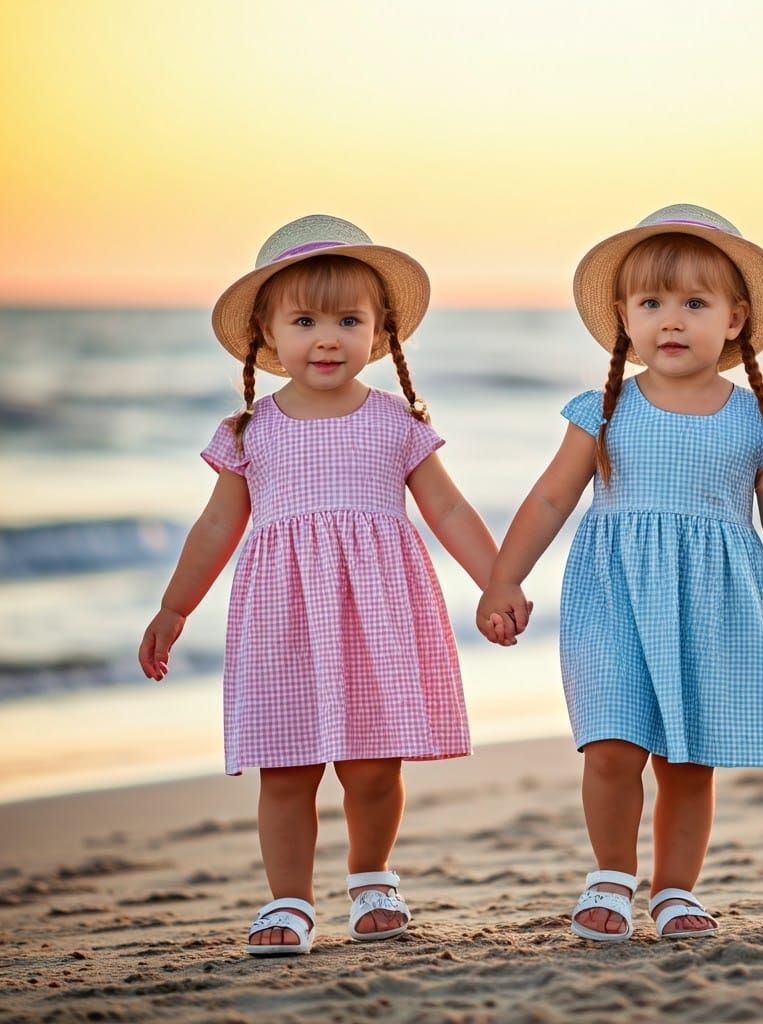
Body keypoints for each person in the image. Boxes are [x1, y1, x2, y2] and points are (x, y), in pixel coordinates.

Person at [139, 215, 499, 953]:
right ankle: (288, 902)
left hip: (377, 617)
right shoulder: (250, 432)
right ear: (267, 337)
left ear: (382, 332)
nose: (327, 337)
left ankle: (372, 877)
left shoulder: (397, 422)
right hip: (282, 619)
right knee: (286, 768)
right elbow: (215, 528)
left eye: (347, 319)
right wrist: (175, 608)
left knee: (372, 766)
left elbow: (450, 508)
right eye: (304, 321)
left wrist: (498, 582)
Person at [476, 204, 763, 941]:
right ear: (624, 321)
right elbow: (550, 496)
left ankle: (675, 890)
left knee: (688, 761)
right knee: (610, 742)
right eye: (652, 303)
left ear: (734, 320)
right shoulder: (604, 410)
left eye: (694, 303)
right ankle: (610, 875)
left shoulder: (756, 418)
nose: (671, 319)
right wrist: (504, 579)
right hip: (615, 600)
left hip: (716, 606)